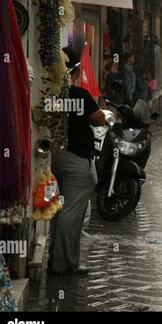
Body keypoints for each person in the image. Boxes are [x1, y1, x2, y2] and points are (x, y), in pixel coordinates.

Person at [48, 47, 107, 275]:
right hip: (76, 160)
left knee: (57, 211)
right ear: (75, 69)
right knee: (70, 213)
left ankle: (60, 260)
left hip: (55, 159)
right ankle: (63, 265)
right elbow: (99, 119)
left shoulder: (50, 94)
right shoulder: (79, 95)